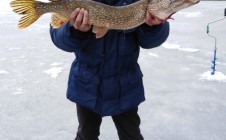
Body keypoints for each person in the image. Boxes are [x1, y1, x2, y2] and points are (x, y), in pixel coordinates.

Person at [50, 0, 170, 139]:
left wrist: (153, 27)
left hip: (125, 87)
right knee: (86, 134)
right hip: (87, 85)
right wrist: (75, 30)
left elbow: (150, 42)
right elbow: (61, 39)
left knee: (131, 135)